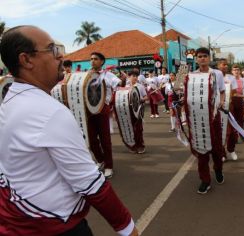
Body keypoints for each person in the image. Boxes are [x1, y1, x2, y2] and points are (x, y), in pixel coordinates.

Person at [0, 25, 138, 236]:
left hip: (20, 219)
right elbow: (89, 183)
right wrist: (127, 228)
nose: (61, 55)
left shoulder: (9, 100)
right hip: (54, 224)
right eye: (52, 50)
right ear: (26, 60)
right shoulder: (48, 112)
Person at [191, 47, 225, 194]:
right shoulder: (192, 76)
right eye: (200, 56)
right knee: (201, 148)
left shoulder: (217, 74)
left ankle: (218, 169)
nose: (202, 58)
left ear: (209, 58)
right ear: (196, 59)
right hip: (198, 117)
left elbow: (222, 92)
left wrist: (221, 102)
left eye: (205, 56)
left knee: (217, 148)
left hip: (214, 115)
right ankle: (205, 180)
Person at [88, 52, 122, 178]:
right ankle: (101, 160)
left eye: (95, 59)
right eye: (91, 59)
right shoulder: (86, 75)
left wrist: (122, 78)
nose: (92, 61)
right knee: (91, 140)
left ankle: (108, 166)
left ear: (102, 61)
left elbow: (119, 83)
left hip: (103, 109)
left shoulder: (108, 75)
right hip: (89, 111)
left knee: (105, 140)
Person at [125, 70, 148, 154]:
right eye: (133, 76)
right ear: (129, 77)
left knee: (138, 128)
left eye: (136, 76)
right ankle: (133, 146)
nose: (135, 77)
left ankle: (140, 146)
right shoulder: (126, 86)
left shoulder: (140, 86)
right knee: (130, 128)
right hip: (129, 110)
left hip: (138, 109)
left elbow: (146, 97)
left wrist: (141, 99)